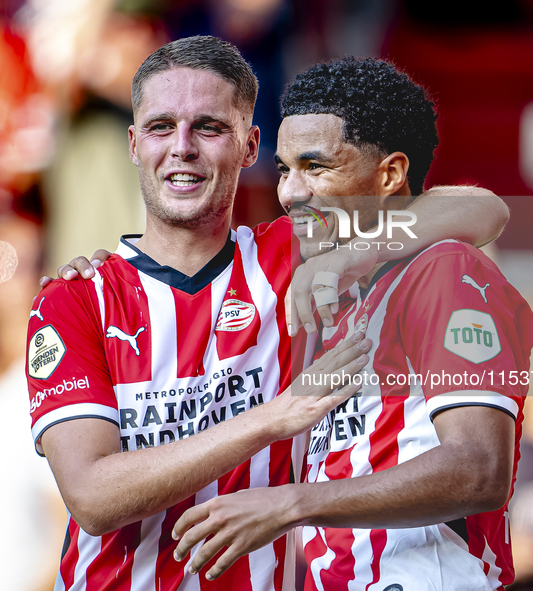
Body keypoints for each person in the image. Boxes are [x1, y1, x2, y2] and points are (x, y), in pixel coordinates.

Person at [37, 38, 508, 590]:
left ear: (250, 145)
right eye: (161, 126)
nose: (183, 147)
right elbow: (93, 498)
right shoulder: (73, 298)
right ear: (135, 143)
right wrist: (275, 417)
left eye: (210, 127)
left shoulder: (291, 253)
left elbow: (484, 208)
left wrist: (361, 249)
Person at [169, 58, 533, 591]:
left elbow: (479, 469)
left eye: (315, 167)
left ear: (388, 175)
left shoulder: (443, 270)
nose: (292, 192)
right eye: (284, 169)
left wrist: (290, 504)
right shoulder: (333, 294)